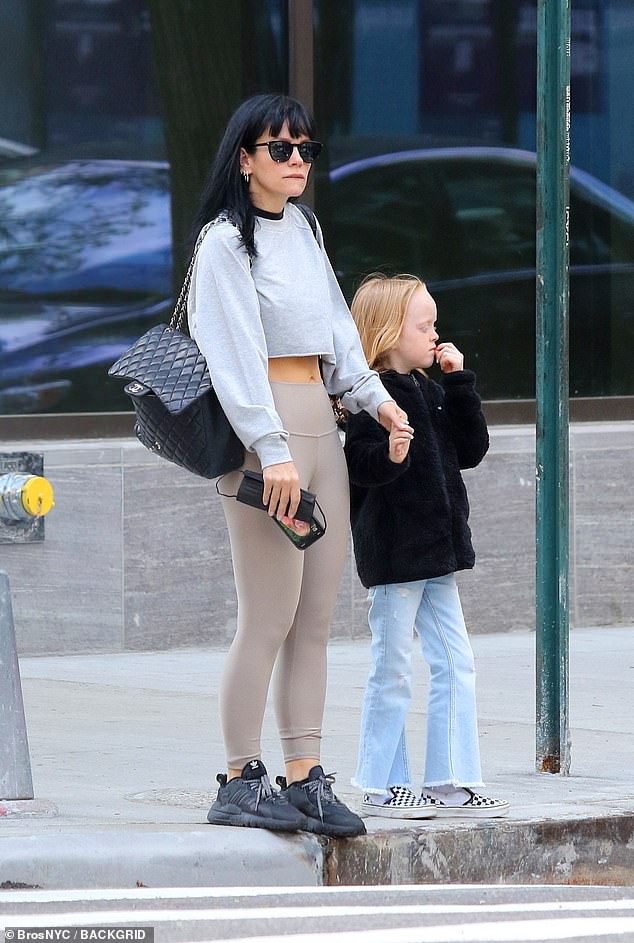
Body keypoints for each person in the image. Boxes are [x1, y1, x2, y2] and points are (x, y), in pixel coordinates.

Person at [186, 94, 407, 837]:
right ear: (244, 159)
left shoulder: (305, 229)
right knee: (268, 617)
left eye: (305, 149)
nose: (296, 161)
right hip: (266, 434)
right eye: (279, 149)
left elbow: (338, 331)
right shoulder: (225, 243)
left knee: (314, 618)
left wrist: (378, 402)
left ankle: (306, 776)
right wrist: (272, 449)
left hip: (320, 421)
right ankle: (238, 778)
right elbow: (233, 352)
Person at [344, 273, 509, 819]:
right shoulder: (370, 398)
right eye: (425, 325)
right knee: (391, 668)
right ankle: (382, 783)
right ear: (390, 332)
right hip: (395, 556)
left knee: (456, 661)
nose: (436, 334)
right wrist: (390, 455)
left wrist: (459, 382)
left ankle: (451, 778)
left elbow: (471, 449)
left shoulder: (431, 391)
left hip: (438, 553)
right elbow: (358, 468)